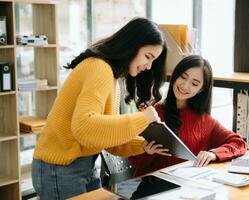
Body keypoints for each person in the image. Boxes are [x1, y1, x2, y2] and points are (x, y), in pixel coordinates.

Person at [31, 17, 167, 200]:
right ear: (132, 45)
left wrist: (143, 145)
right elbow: (85, 127)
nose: (149, 66)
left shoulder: (112, 78)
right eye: (148, 57)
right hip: (60, 167)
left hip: (82, 165)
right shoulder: (99, 68)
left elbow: (105, 137)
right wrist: (143, 118)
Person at [129, 55, 247, 177]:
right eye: (183, 77)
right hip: (151, 185)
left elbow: (239, 143)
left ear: (201, 90)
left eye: (194, 84)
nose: (185, 86)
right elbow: (134, 162)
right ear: (175, 75)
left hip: (188, 187)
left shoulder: (206, 121)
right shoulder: (150, 112)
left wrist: (213, 154)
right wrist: (146, 151)